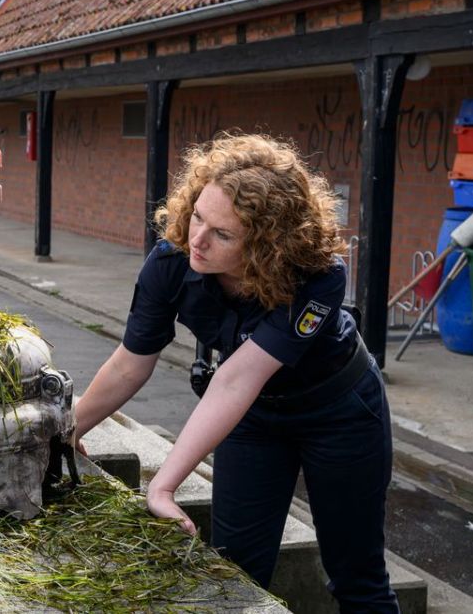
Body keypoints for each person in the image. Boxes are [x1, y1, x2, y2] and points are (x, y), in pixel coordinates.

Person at [70, 134, 398, 612]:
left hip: (340, 412)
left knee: (357, 576)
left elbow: (237, 378)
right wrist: (67, 429)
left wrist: (162, 485)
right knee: (235, 567)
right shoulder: (172, 259)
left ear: (269, 246)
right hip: (256, 418)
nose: (196, 240)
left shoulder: (318, 276)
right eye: (197, 215)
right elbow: (130, 362)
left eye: (222, 234)